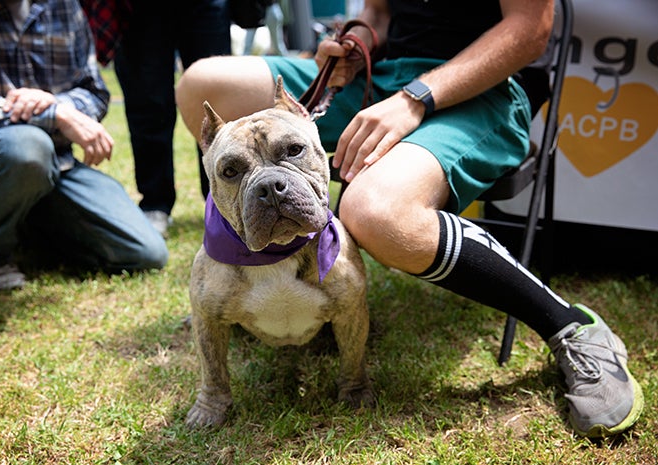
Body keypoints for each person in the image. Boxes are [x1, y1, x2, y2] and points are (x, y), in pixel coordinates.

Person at [175, 0, 643, 438]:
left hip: (479, 91)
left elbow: (529, 30)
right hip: (384, 79)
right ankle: (252, 273)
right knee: (203, 81)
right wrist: (357, 39)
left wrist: (415, 99)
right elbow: (378, 12)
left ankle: (569, 326)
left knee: (373, 211)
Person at [0, 0, 169, 290]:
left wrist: (60, 105)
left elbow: (94, 91)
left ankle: (24, 228)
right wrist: (53, 114)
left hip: (59, 165)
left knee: (147, 252)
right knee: (26, 148)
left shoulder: (64, 6)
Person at [81, 0, 232, 237]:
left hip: (205, 5)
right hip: (140, 7)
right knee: (147, 100)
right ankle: (155, 203)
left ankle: (223, 202)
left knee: (216, 98)